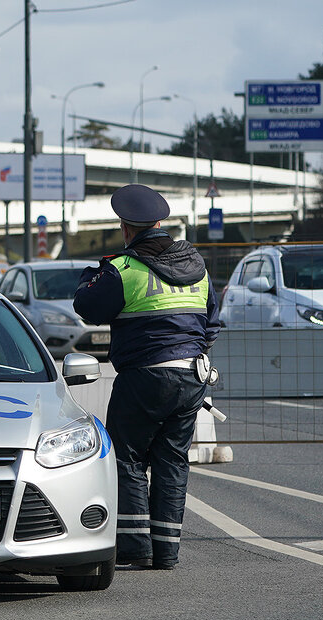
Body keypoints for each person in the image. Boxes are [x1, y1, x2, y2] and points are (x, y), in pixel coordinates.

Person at [73, 184, 221, 571]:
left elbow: (86, 306)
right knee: (173, 460)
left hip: (144, 375)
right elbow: (212, 323)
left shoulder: (125, 270)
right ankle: (167, 551)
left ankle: (136, 547)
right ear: (160, 223)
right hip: (193, 375)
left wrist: (93, 275)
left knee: (128, 457)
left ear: (126, 228)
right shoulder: (197, 268)